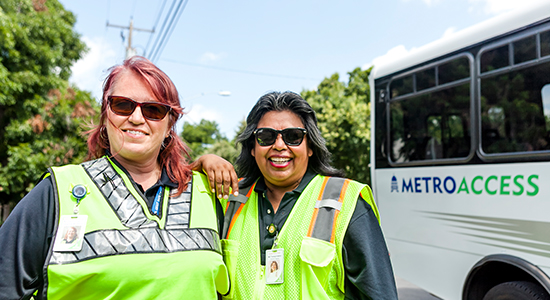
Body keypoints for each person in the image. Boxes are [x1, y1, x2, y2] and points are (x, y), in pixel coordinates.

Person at [0, 56, 238, 299]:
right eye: (123, 105)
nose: (136, 118)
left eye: (153, 110)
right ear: (106, 116)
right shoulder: (58, 191)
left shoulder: (208, 192)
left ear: (169, 126)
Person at [221, 91, 398, 299]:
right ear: (253, 148)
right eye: (266, 137)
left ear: (310, 146)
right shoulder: (229, 199)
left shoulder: (346, 202)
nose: (279, 146)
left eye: (293, 137)